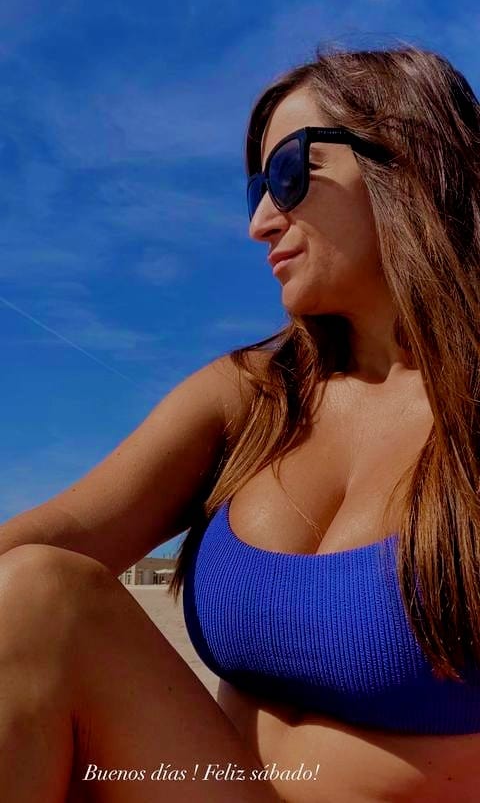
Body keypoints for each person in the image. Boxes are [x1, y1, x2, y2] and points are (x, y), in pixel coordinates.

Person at [0, 42, 479, 803]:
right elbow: (48, 542)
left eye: (288, 174)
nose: (260, 222)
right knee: (38, 595)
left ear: (411, 157)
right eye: (256, 188)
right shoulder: (255, 396)